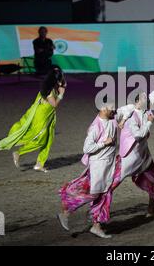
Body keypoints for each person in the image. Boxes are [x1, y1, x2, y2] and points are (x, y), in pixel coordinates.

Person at [58, 101, 119, 239]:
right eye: (111, 108)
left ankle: (96, 226)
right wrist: (104, 143)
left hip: (108, 165)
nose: (114, 110)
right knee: (95, 194)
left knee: (105, 195)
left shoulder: (112, 118)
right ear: (103, 109)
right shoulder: (95, 127)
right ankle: (66, 211)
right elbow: (86, 148)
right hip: (98, 166)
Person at [0, 66, 66, 173]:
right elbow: (54, 104)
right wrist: (61, 93)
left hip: (50, 116)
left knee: (48, 140)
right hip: (41, 117)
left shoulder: (53, 86)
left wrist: (61, 86)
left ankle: (39, 164)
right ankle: (19, 152)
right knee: (40, 140)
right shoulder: (48, 90)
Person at [116, 92, 154, 217]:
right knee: (112, 184)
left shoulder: (146, 110)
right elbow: (138, 135)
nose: (147, 98)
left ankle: (151, 210)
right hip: (131, 157)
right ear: (137, 101)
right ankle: (95, 214)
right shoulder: (131, 114)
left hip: (144, 156)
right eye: (144, 97)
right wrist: (149, 123)